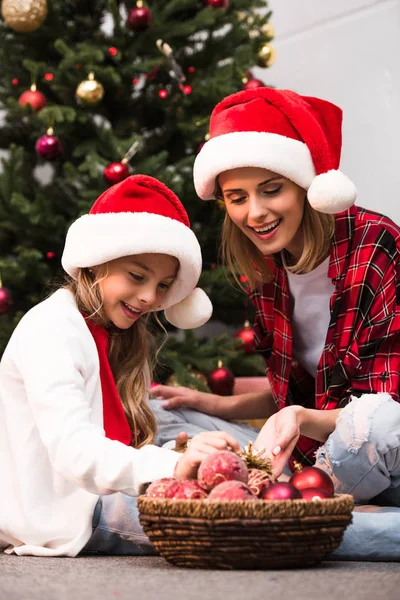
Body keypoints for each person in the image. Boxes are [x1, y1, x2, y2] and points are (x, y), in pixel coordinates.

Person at [151, 88, 400, 521]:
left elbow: (383, 407)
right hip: (314, 454)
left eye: (271, 190)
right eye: (237, 198)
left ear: (305, 185)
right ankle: (294, 504)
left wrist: (298, 418)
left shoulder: (375, 244)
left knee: (379, 423)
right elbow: (306, 392)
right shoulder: (265, 268)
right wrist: (215, 404)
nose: (255, 213)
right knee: (160, 415)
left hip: (382, 448)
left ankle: (284, 510)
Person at [0, 174, 241, 557]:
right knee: (238, 517)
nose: (149, 297)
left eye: (163, 285)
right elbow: (75, 452)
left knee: (204, 430)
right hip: (68, 512)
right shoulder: (51, 329)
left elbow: (120, 439)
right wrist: (172, 468)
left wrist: (178, 456)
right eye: (136, 276)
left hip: (97, 493)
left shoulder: (118, 334)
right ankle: (341, 521)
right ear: (95, 264)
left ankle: (311, 493)